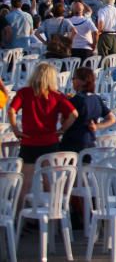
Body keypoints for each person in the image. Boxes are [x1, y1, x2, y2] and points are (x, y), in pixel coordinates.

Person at [9, 62, 79, 209]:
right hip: (49, 142)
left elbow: (11, 111)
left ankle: (19, 217)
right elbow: (74, 114)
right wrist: (62, 130)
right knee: (50, 181)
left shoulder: (24, 92)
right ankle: (52, 214)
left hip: (29, 142)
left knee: (25, 183)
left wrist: (15, 129)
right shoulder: (56, 96)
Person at [60, 66, 116, 152]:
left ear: (82, 82)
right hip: (90, 144)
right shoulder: (96, 98)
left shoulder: (77, 100)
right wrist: (97, 126)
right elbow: (112, 118)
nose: (72, 81)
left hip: (72, 144)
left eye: (74, 78)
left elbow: (63, 121)